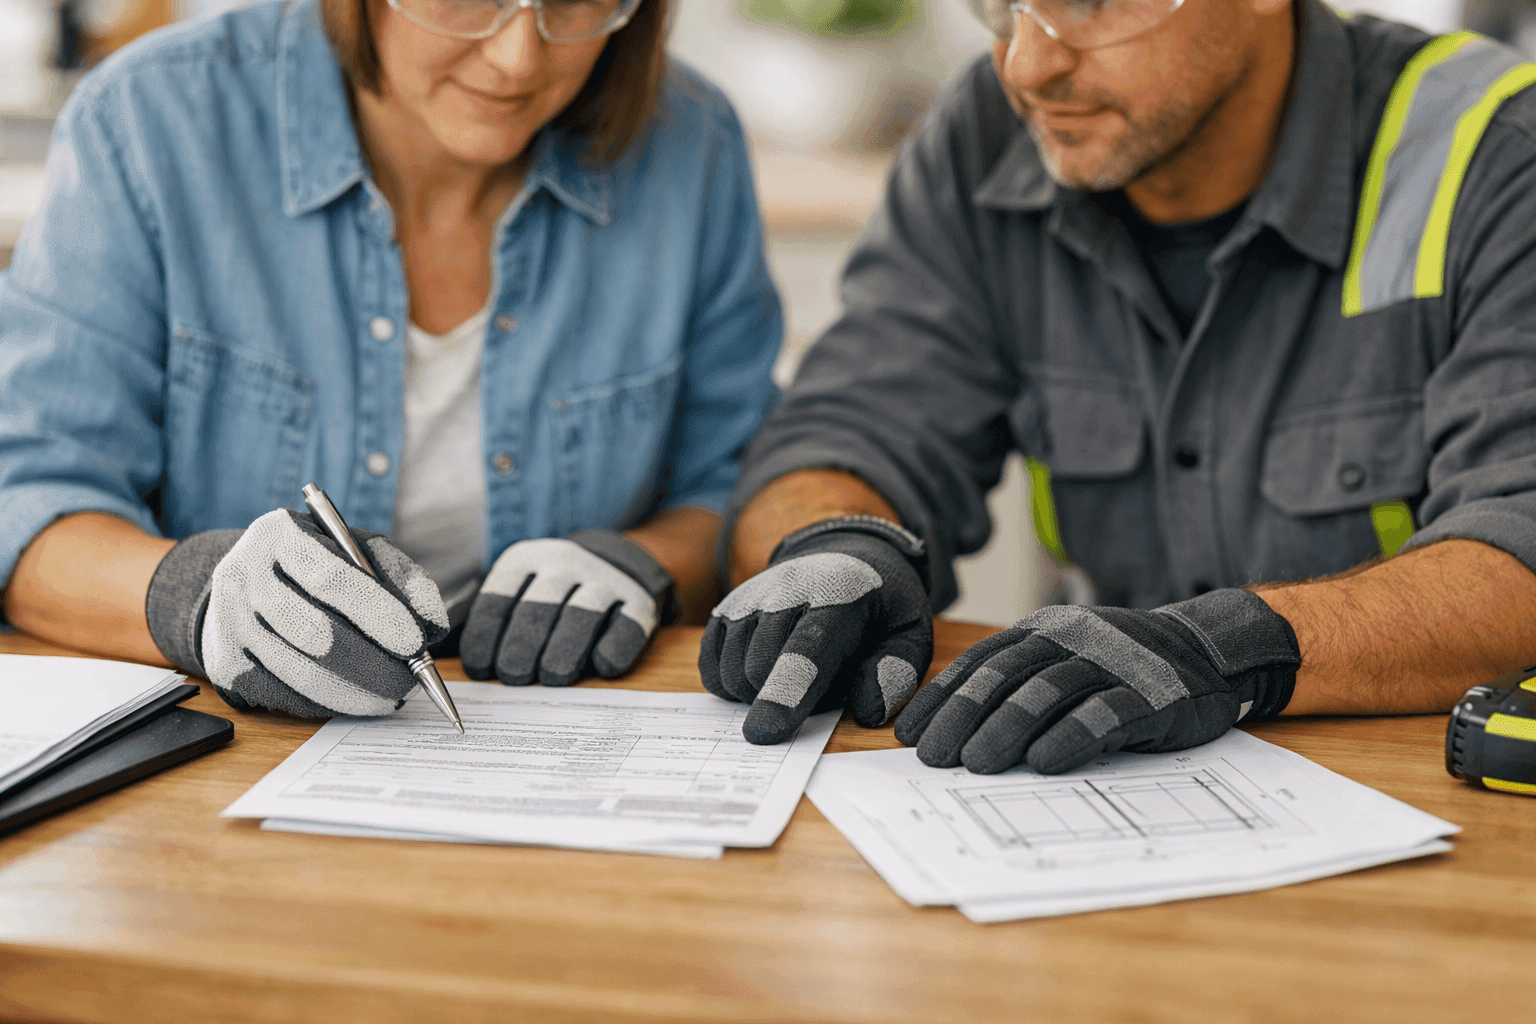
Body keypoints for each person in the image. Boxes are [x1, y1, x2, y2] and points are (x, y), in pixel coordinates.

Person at [699, 0, 1536, 775]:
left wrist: (1226, 648)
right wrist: (834, 546)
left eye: (1089, 1)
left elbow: (1521, 551)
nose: (1026, 65)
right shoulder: (988, 134)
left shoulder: (1500, 150)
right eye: (1000, 2)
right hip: (1090, 787)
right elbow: (846, 427)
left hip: (1427, 824)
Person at [0, 0, 782, 716]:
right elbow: (28, 507)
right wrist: (195, 596)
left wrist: (642, 562)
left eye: (574, 0)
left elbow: (734, 481)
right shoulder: (150, 117)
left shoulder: (692, 140)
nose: (518, 57)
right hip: (228, 761)